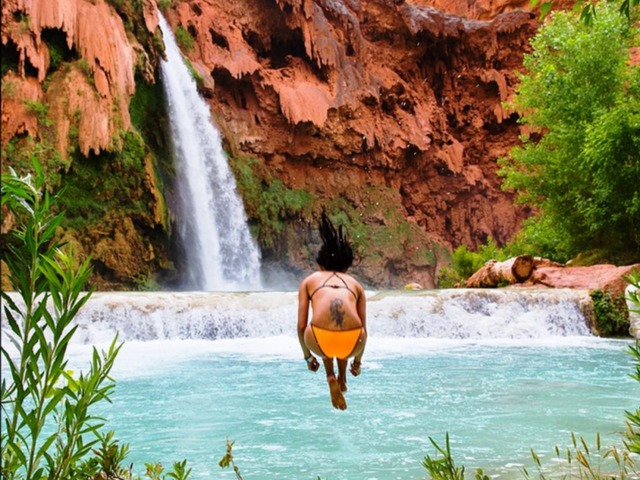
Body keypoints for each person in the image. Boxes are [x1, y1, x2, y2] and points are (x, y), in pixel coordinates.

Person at [297, 211, 367, 410]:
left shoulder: (310, 281)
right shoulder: (355, 284)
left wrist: (308, 357)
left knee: (322, 326)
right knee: (345, 331)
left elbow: (301, 325)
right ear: (346, 267)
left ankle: (330, 376)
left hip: (319, 340)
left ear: (320, 265)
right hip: (353, 342)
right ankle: (343, 377)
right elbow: (364, 328)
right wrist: (358, 362)